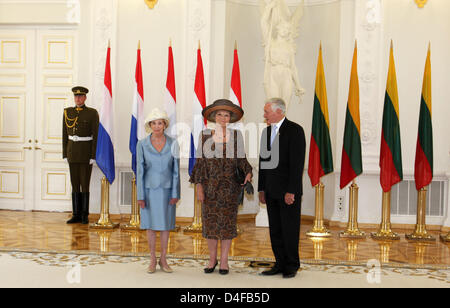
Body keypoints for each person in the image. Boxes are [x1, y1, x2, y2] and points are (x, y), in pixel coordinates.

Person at [190, 99, 252, 275]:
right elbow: (200, 163)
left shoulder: (236, 136)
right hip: (209, 188)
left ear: (230, 118)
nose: (223, 118)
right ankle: (212, 260)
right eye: (220, 114)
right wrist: (199, 187)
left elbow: (242, 159)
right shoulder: (204, 135)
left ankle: (224, 261)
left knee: (227, 226)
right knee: (210, 226)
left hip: (230, 189)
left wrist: (248, 172)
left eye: (226, 115)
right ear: (213, 117)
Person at [258, 97, 306, 278]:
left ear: (279, 111)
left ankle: (291, 265)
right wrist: (261, 189)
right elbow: (263, 163)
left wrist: (291, 190)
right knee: (275, 229)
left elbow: (297, 164)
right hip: (270, 190)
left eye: (267, 111)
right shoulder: (266, 132)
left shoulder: (295, 131)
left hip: (288, 191)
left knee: (289, 229)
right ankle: (279, 263)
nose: (264, 115)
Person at [136, 108, 180, 274]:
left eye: (159, 123)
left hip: (168, 191)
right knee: (151, 226)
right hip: (148, 191)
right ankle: (152, 259)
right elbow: (140, 171)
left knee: (166, 226)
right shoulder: (142, 144)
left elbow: (175, 170)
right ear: (149, 125)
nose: (156, 126)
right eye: (153, 123)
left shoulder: (173, 143)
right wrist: (140, 195)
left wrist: (176, 193)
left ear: (165, 125)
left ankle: (164, 259)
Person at [63, 86, 99, 224]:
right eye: (76, 96)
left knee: (85, 184)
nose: (78, 98)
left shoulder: (92, 113)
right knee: (74, 184)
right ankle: (76, 214)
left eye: (80, 96)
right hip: (72, 152)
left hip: (85, 153)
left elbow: (95, 135)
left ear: (85, 98)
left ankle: (84, 214)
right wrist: (65, 153)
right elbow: (64, 134)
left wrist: (93, 155)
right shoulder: (67, 112)